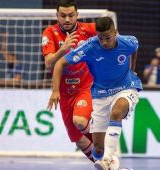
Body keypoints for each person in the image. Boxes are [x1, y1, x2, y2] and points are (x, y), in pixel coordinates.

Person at [48, 17, 142, 170]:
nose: (104, 42)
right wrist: (55, 91)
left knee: (117, 112)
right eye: (100, 38)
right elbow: (60, 63)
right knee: (97, 149)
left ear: (115, 33)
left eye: (108, 38)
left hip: (126, 87)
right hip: (101, 94)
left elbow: (134, 48)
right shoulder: (90, 47)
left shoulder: (128, 42)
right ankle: (108, 160)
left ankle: (107, 160)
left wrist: (132, 69)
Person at [41, 0, 97, 162]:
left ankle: (106, 150)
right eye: (63, 16)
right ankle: (107, 164)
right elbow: (49, 63)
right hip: (65, 93)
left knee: (79, 121)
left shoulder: (89, 29)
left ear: (77, 15)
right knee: (78, 139)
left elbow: (113, 34)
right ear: (57, 16)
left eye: (71, 15)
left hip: (85, 87)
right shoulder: (50, 32)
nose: (67, 19)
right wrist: (63, 49)